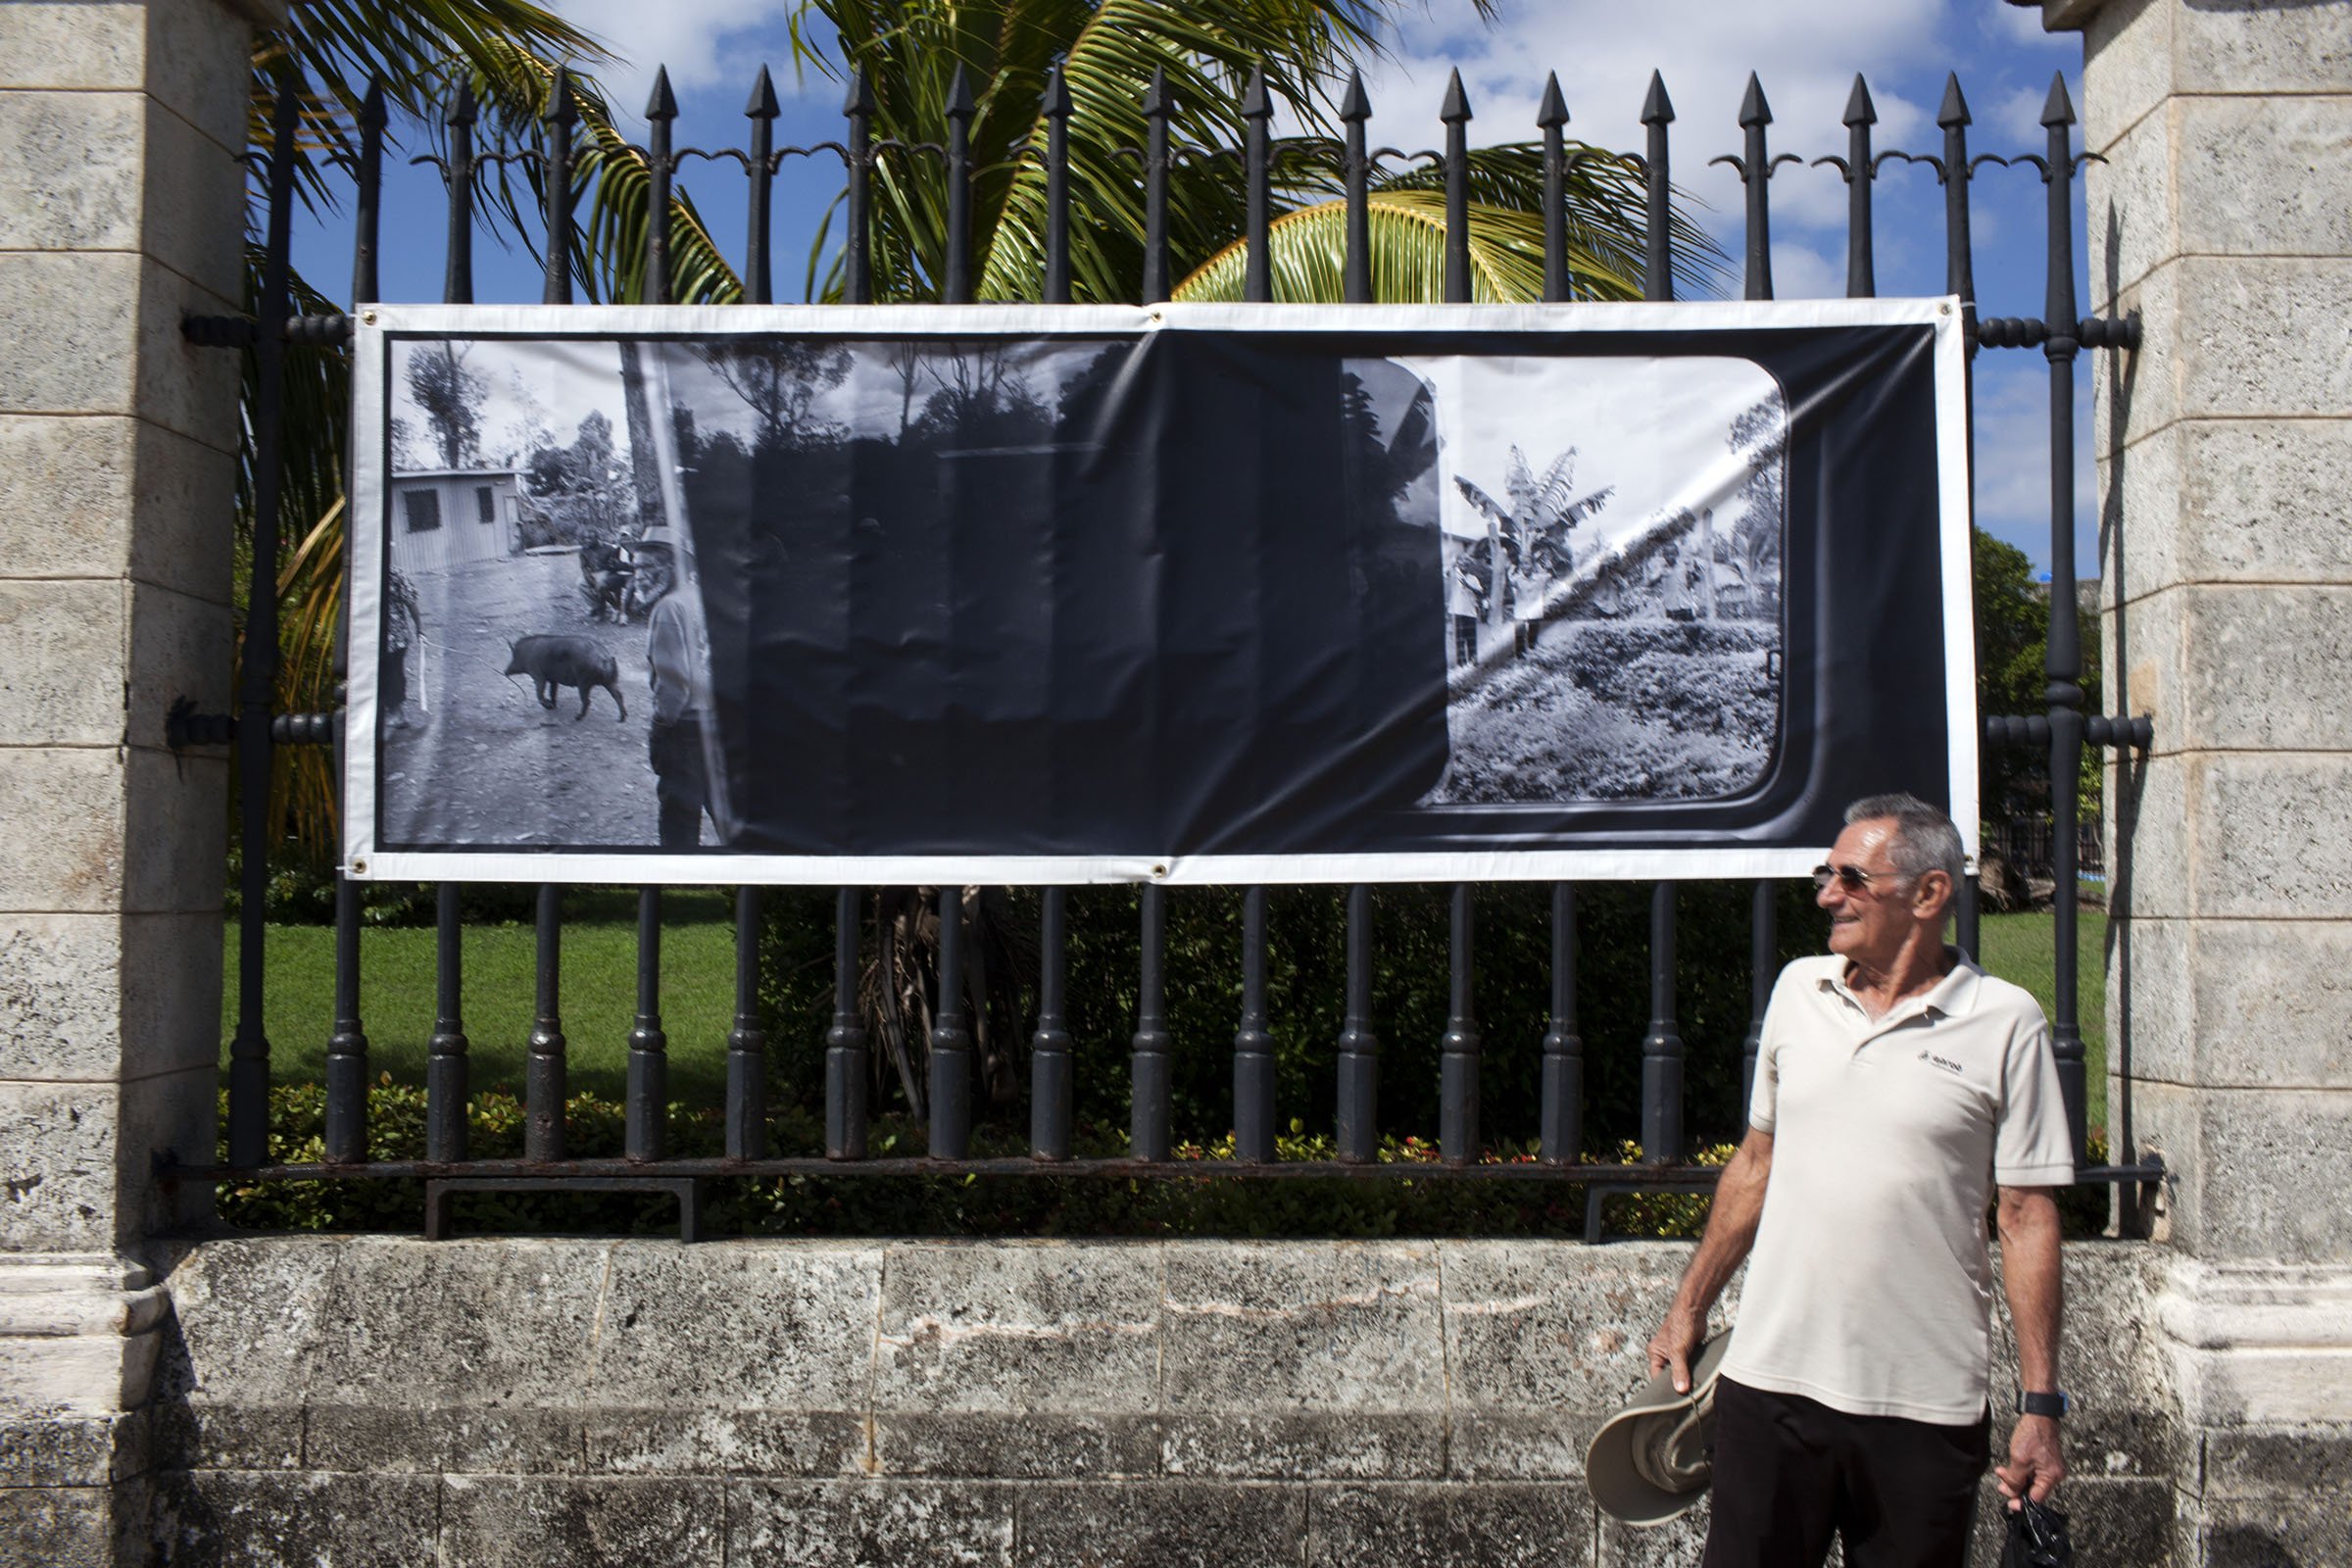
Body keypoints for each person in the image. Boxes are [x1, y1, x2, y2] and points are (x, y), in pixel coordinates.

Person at [1645, 792, 2074, 1568]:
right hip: (1770, 1389)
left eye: (1851, 878)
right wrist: (1688, 1306)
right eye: (1825, 874)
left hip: (1923, 1406)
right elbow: (1755, 1163)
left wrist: (2040, 1404)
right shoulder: (1798, 991)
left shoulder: (2007, 1022)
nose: (1826, 895)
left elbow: (2026, 1216)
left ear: (1930, 894)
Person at [634, 525, 715, 849]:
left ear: (672, 568)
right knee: (723, 807)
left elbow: (674, 682)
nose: (638, 576)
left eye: (647, 567)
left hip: (684, 728)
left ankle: (680, 882)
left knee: (679, 820)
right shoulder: (698, 596)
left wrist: (661, 724)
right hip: (715, 721)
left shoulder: (668, 607)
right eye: (637, 566)